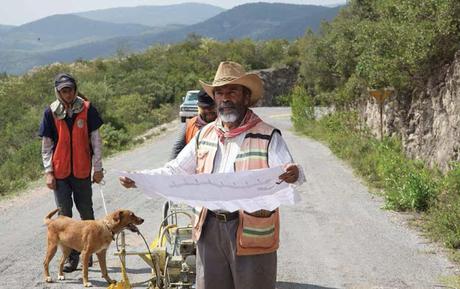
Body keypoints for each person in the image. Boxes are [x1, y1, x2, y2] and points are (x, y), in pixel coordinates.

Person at [120, 61, 305, 289]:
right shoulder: (204, 134)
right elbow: (175, 170)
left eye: (232, 92)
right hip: (210, 229)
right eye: (219, 93)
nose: (225, 98)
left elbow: (287, 170)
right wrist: (139, 178)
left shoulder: (268, 136)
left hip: (252, 229)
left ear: (246, 98)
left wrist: (293, 173)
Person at [39, 73, 104, 272]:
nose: (68, 94)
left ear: (75, 90)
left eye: (70, 89)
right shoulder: (50, 112)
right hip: (60, 172)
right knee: (64, 216)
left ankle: (89, 252)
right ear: (58, 92)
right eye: (63, 90)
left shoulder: (86, 108)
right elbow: (47, 146)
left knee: (86, 212)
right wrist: (48, 172)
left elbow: (96, 141)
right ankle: (72, 258)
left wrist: (98, 168)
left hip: (83, 170)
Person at [170, 90, 217, 159]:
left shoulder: (226, 124)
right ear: (199, 107)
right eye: (204, 108)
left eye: (210, 107)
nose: (207, 111)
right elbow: (178, 149)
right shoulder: (189, 124)